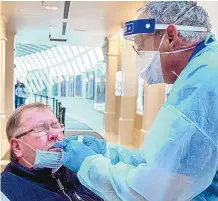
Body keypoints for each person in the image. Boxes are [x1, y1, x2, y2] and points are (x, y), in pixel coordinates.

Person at [54, 1, 218, 201]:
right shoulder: (203, 68)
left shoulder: (203, 84)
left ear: (171, 36)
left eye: (141, 46)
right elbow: (163, 161)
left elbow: (156, 190)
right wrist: (108, 152)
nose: (141, 57)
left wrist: (89, 164)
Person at [0, 103, 103, 201]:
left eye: (55, 126)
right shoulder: (6, 193)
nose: (54, 134)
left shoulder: (81, 172)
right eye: (40, 129)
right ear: (17, 147)